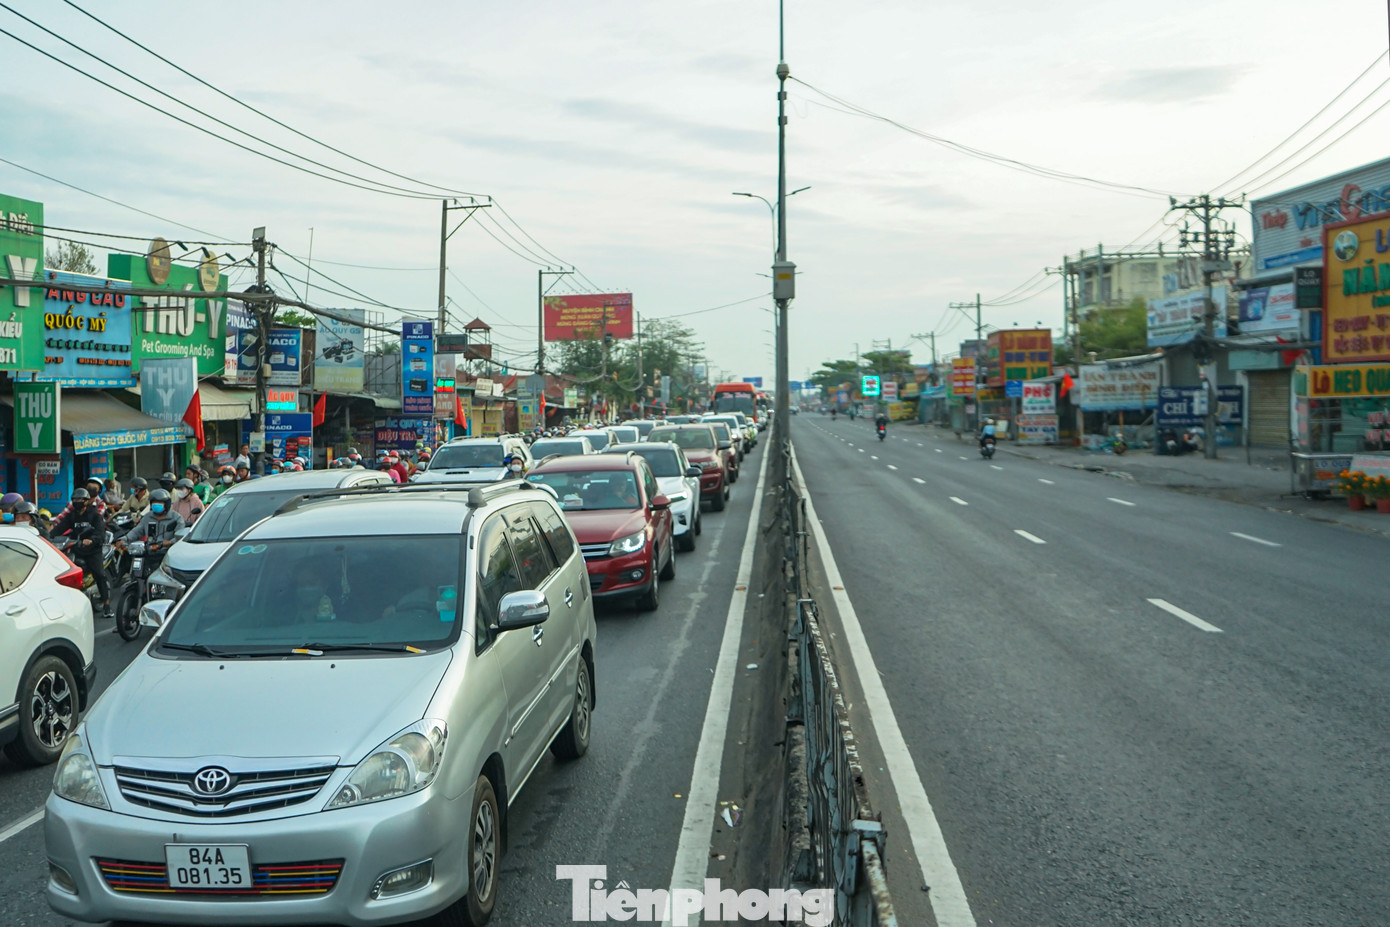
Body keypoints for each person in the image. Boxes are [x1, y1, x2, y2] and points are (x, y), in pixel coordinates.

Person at [52, 488, 112, 618]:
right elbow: (58, 529)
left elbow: (100, 533)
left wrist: (91, 540)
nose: (77, 502)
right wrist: (47, 538)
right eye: (75, 500)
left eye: (80, 500)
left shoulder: (95, 515)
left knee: (99, 574)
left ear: (86, 501)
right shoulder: (72, 515)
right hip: (76, 549)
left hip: (92, 551)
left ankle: (107, 605)